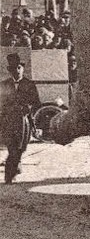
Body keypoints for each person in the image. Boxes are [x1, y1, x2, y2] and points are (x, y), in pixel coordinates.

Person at [1, 53, 41, 184]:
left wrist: (29, 109)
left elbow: (36, 104)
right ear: (10, 70)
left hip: (24, 122)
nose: (16, 71)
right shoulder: (4, 85)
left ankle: (16, 166)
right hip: (8, 121)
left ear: (22, 68)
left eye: (19, 67)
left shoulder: (29, 84)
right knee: (12, 147)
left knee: (21, 148)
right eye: (13, 68)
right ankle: (9, 177)